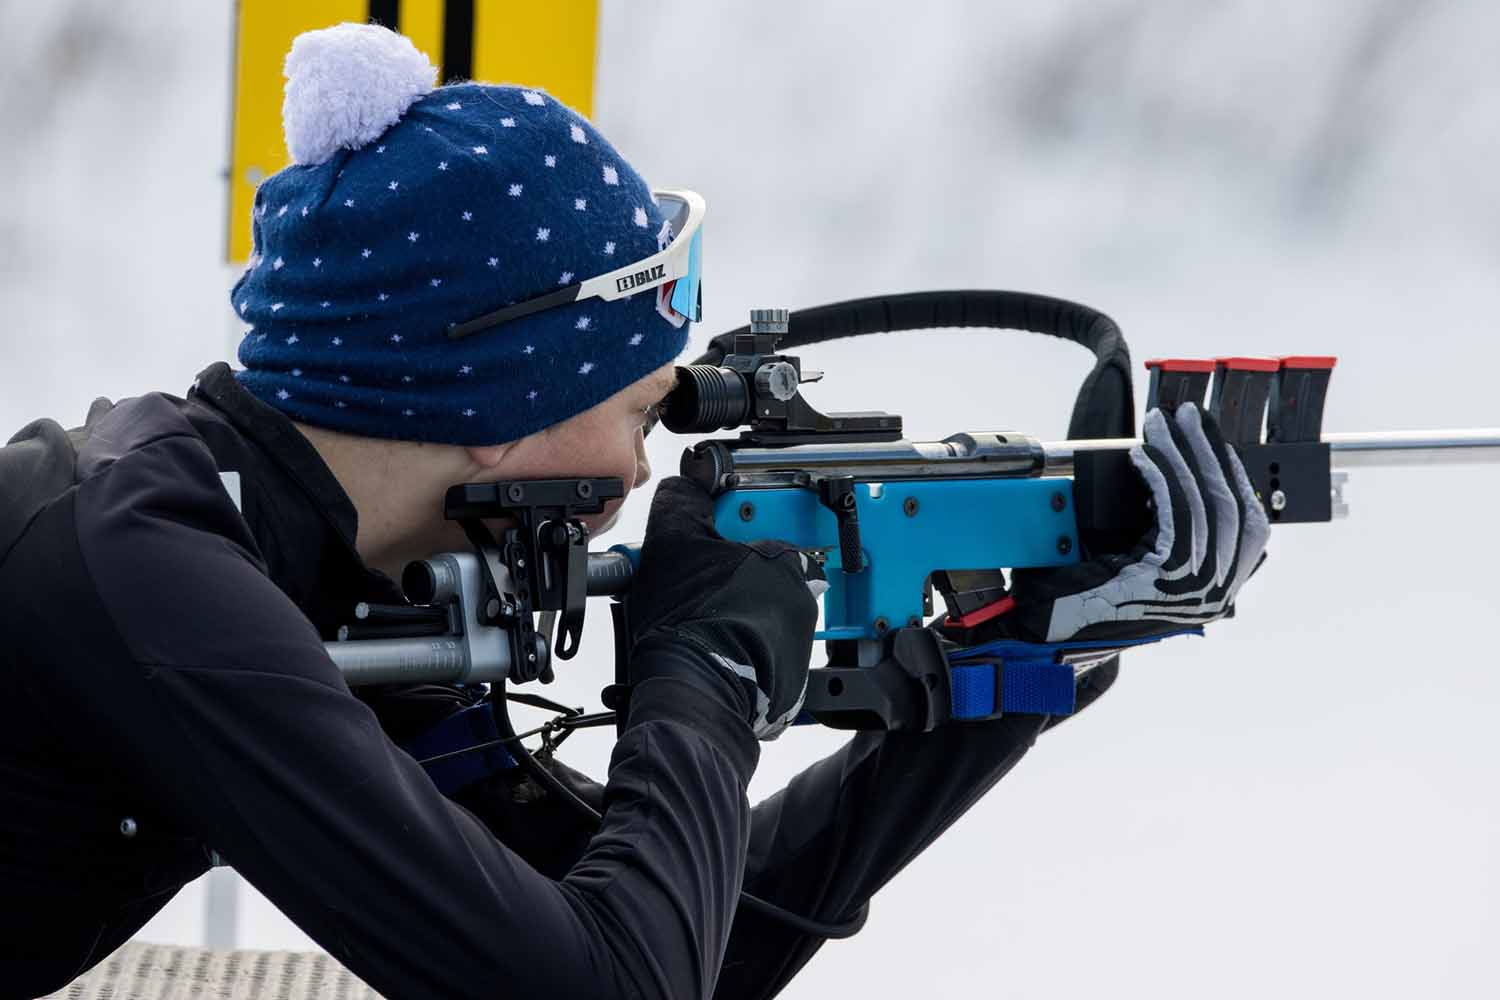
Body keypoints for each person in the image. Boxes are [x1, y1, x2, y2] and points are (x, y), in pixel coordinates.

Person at [0, 23, 1269, 1000]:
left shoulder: (318, 555)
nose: (646, 470)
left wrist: (1026, 658)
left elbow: (685, 945)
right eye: (642, 411)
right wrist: (702, 677)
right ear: (495, 402)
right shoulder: (148, 572)